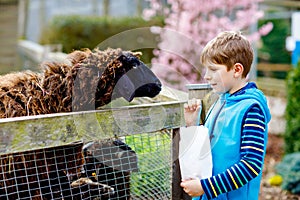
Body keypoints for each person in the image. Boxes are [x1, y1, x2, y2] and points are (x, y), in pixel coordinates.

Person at [180, 31, 271, 199]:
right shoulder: (221, 101)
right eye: (206, 69)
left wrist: (205, 187)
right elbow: (207, 150)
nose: (207, 76)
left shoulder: (251, 110)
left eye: (213, 69)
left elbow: (251, 165)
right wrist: (192, 125)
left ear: (236, 70)